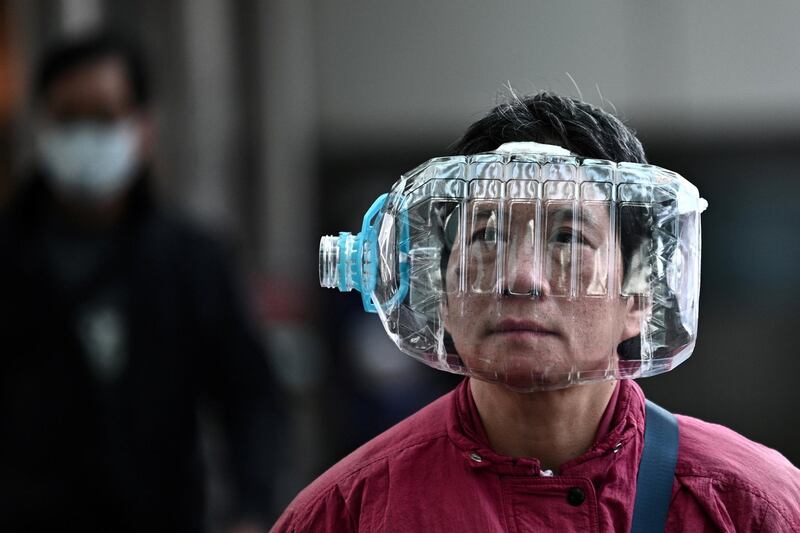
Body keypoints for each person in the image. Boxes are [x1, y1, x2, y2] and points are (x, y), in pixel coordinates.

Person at [273, 92, 800, 531]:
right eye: (487, 237)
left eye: (569, 238)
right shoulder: (347, 514)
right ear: (442, 293)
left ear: (639, 298)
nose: (520, 277)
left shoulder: (748, 507)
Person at [0, 32, 280, 532]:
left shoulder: (191, 259)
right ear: (41, 128)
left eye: (104, 117)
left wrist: (250, 510)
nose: (86, 137)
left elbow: (248, 395)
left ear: (142, 128)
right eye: (69, 118)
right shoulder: (9, 256)